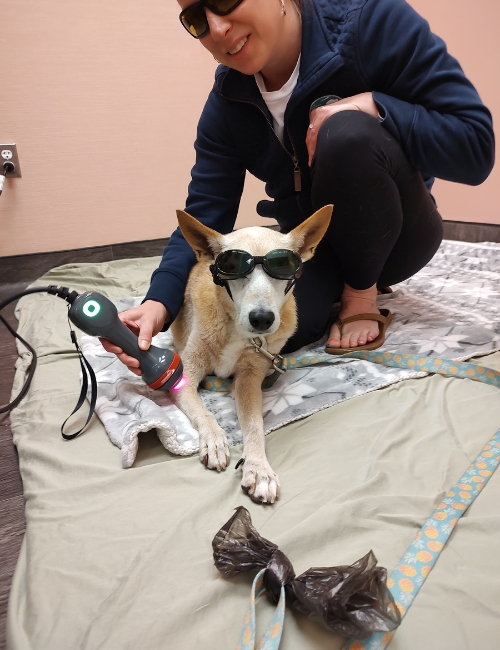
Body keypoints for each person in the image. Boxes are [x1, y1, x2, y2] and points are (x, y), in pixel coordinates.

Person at [102, 0, 494, 372]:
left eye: (225, 1)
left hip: (397, 234)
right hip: (313, 247)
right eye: (197, 21)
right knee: (273, 331)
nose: (217, 29)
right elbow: (205, 212)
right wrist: (158, 302)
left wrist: (373, 105)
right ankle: (336, 288)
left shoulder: (373, 21)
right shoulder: (228, 99)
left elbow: (475, 148)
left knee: (345, 134)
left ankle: (360, 292)